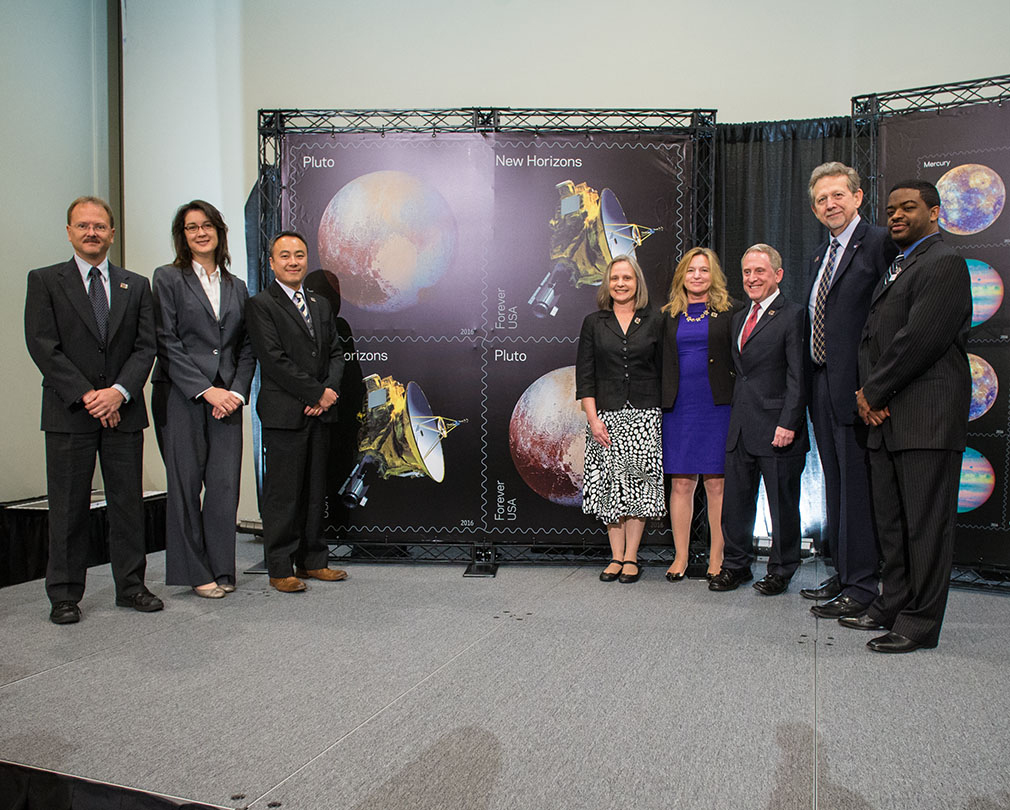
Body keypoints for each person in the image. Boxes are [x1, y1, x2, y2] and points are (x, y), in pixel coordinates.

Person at [846, 180, 971, 653]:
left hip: (925, 419)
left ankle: (920, 624)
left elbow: (920, 339)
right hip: (886, 419)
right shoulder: (898, 266)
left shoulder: (944, 263)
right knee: (893, 526)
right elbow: (875, 338)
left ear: (935, 213)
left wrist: (870, 392)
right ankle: (891, 604)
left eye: (909, 208)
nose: (897, 215)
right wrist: (869, 397)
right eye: (892, 209)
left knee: (926, 527)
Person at [24, 196, 161, 623]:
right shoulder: (45, 280)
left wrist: (118, 392)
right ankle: (64, 594)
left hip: (123, 411)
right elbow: (43, 346)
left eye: (100, 226)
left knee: (127, 505)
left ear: (112, 233)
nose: (91, 233)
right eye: (83, 226)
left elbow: (145, 346)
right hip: (70, 414)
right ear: (69, 232)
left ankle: (132, 586)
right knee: (68, 508)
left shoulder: (135, 285)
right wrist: (90, 397)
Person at [801, 163, 897, 618]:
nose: (830, 205)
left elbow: (891, 315)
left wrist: (873, 384)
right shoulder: (821, 255)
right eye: (821, 199)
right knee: (835, 485)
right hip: (822, 384)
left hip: (858, 389)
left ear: (858, 197)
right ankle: (844, 572)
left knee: (857, 489)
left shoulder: (878, 242)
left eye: (838, 195)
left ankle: (862, 587)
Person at [151, 201, 255, 598]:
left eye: (206, 225)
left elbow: (246, 347)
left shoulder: (237, 286)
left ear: (218, 231)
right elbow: (167, 341)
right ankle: (195, 572)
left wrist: (235, 392)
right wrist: (205, 389)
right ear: (183, 235)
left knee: (225, 486)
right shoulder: (168, 278)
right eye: (191, 227)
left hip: (227, 398)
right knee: (185, 484)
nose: (200, 233)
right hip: (183, 395)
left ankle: (222, 568)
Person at [245, 231, 347, 593]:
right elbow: (273, 361)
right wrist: (317, 392)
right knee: (283, 495)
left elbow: (335, 353)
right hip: (284, 414)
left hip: (320, 413)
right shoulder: (261, 305)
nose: (293, 261)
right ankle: (279, 568)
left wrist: (329, 393)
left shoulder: (319, 304)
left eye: (299, 255)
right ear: (271, 262)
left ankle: (313, 561)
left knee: (314, 492)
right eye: (284, 255)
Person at [709, 244, 808, 595]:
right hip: (740, 427)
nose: (752, 278)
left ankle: (782, 570)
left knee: (782, 506)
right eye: (747, 272)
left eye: (760, 272)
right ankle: (736, 566)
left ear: (777, 275)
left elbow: (799, 376)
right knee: (735, 504)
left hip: (778, 429)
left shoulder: (793, 314)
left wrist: (789, 423)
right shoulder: (738, 316)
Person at [576, 254, 665, 584]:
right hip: (605, 417)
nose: (621, 283)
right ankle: (615, 556)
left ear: (637, 282)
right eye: (615, 278)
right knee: (611, 487)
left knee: (638, 486)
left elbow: (664, 370)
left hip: (645, 415)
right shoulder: (593, 323)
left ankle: (631, 557)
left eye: (627, 278)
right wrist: (593, 418)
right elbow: (585, 376)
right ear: (607, 284)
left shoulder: (654, 321)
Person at [660, 247, 743, 580]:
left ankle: (716, 558)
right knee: (680, 484)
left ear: (715, 276)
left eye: (704, 270)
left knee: (716, 486)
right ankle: (680, 557)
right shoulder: (667, 315)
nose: (697, 276)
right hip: (679, 408)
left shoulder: (732, 310)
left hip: (718, 407)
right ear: (682, 275)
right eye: (691, 270)